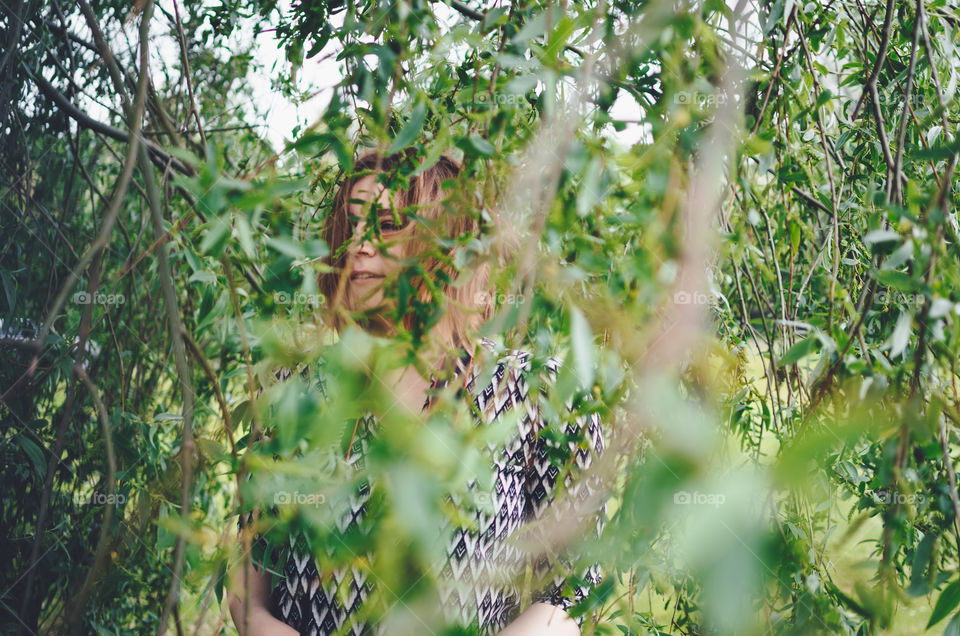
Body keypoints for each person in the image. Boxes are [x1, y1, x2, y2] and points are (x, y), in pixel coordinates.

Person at [227, 149, 606, 636]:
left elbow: (574, 589)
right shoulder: (294, 394)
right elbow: (247, 579)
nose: (357, 247)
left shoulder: (538, 395)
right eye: (351, 227)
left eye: (385, 225)